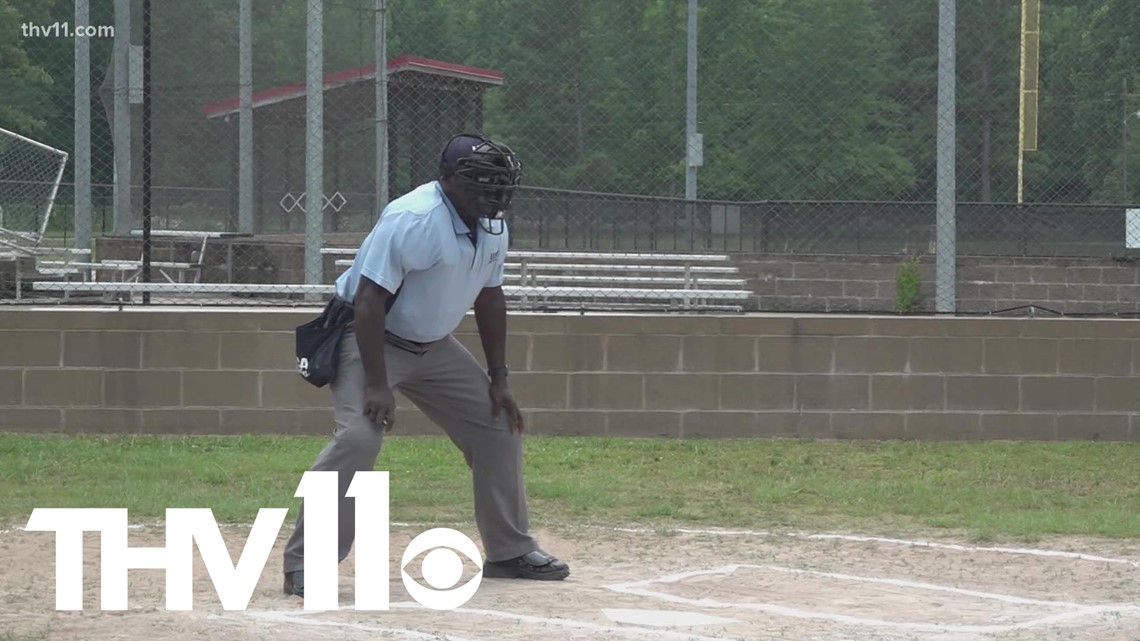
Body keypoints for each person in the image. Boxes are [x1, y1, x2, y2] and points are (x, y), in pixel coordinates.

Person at [281, 133, 570, 598]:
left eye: (498, 184)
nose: (492, 195)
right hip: (368, 336)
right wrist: (377, 384)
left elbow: (490, 297)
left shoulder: (492, 226)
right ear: (447, 180)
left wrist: (499, 378)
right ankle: (304, 565)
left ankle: (509, 550)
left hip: (432, 345)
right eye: (480, 183)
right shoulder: (413, 218)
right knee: (358, 437)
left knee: (497, 423)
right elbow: (370, 302)